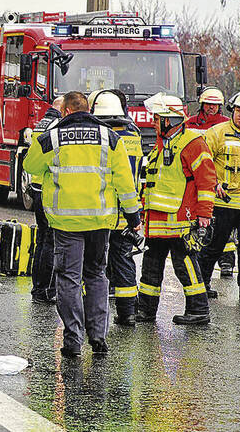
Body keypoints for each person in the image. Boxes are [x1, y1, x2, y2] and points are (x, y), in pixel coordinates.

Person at [24, 91, 141, 357]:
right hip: (101, 222)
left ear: (65, 111)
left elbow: (31, 165)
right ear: (88, 110)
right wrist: (133, 217)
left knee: (69, 279)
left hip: (66, 223)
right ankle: (98, 337)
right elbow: (125, 183)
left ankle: (73, 339)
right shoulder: (110, 138)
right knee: (97, 276)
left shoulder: (52, 138)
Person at [136, 93, 217, 326]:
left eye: (157, 118)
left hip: (181, 220)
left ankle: (199, 310)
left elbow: (206, 181)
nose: (153, 122)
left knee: (185, 264)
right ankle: (146, 310)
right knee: (151, 265)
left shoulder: (192, 143)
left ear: (169, 120)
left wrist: (204, 215)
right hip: (158, 221)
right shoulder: (163, 143)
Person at [197, 90, 240, 301]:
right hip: (223, 203)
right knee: (213, 246)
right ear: (232, 111)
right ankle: (201, 285)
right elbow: (204, 161)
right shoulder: (217, 133)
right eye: (238, 111)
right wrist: (214, 183)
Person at [91, 90, 143, 326]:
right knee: (124, 262)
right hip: (126, 212)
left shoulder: (102, 138)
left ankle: (93, 312)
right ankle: (127, 313)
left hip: (101, 211)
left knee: (95, 264)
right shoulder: (134, 134)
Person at [187, 86, 234, 274]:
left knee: (224, 224)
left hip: (222, 181)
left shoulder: (227, 124)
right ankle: (198, 261)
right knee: (200, 222)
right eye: (209, 104)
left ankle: (227, 262)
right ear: (202, 104)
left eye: (216, 105)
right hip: (196, 180)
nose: (212, 108)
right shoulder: (190, 124)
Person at [29, 96, 64, 305]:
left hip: (37, 186)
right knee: (50, 242)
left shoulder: (42, 122)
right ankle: (46, 289)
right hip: (47, 186)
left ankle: (38, 287)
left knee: (42, 241)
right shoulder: (56, 126)